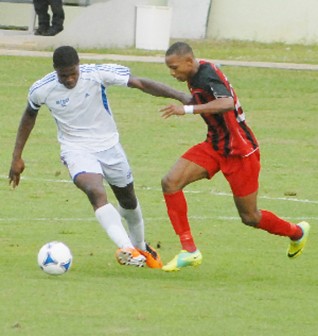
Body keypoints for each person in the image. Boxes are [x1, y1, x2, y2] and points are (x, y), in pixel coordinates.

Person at [9, 45, 191, 269]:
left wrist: (181, 95)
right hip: (75, 148)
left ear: (78, 66)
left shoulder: (95, 74)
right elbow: (29, 115)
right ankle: (126, 248)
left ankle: (141, 246)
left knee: (128, 199)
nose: (69, 80)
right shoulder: (42, 89)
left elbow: (140, 83)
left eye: (73, 73)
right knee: (95, 191)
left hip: (109, 146)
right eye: (63, 75)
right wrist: (17, 157)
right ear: (55, 71)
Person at [158, 41, 310, 272]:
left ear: (189, 61)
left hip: (240, 152)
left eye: (175, 67)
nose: (173, 73)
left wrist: (186, 110)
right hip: (215, 145)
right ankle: (189, 250)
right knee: (170, 182)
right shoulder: (196, 73)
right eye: (170, 68)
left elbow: (226, 102)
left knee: (250, 216)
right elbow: (202, 100)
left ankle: (296, 232)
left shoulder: (207, 74)